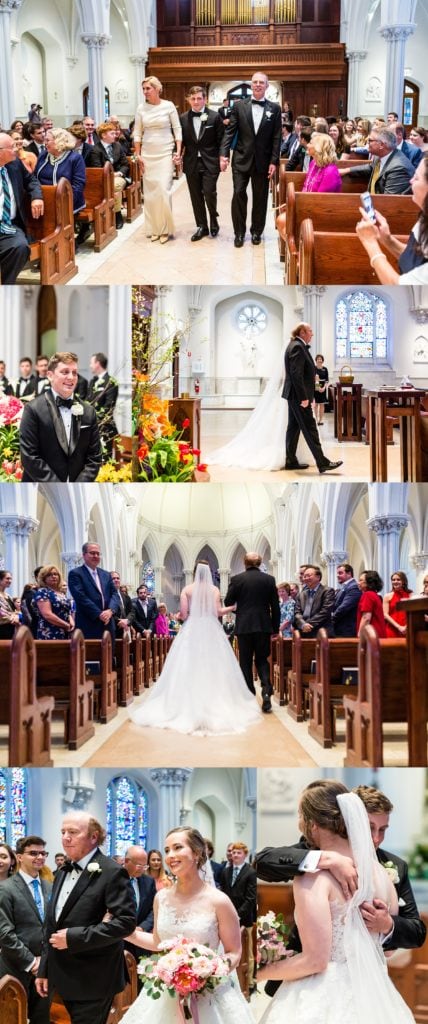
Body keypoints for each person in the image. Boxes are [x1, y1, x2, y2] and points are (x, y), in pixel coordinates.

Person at [256, 780, 416, 1024]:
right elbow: (389, 949)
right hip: (374, 995)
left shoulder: (313, 878)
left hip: (322, 994)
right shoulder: (380, 873)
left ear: (311, 824)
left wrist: (258, 972)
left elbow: (316, 961)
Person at [119, 826, 256, 1024]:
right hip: (167, 990)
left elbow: (234, 952)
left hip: (208, 993)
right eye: (167, 850)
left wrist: (207, 972)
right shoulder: (161, 898)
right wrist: (128, 933)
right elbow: (159, 942)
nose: (170, 856)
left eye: (177, 848)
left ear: (197, 852)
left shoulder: (219, 901)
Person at [129, 561, 261, 735]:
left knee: (188, 664)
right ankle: (215, 702)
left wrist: (180, 615)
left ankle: (185, 703)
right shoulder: (214, 590)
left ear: (195, 572)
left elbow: (183, 615)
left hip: (192, 628)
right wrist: (234, 607)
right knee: (214, 665)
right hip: (211, 629)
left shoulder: (187, 589)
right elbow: (218, 612)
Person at [35, 812, 136, 1024]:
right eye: (63, 832)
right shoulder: (62, 871)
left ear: (93, 837)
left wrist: (75, 937)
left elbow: (125, 922)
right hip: (61, 976)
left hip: (94, 978)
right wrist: (44, 968)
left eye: (73, 832)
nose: (65, 837)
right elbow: (51, 924)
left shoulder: (112, 871)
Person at [354, 785, 426, 950]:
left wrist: (387, 924)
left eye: (382, 830)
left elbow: (417, 932)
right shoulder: (322, 854)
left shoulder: (397, 866)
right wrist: (326, 859)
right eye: (370, 827)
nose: (376, 838)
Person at [219, 71, 282, 247]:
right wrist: (224, 154)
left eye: (262, 82)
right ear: (251, 84)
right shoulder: (239, 106)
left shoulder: (274, 109)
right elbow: (229, 132)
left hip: (263, 161)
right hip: (241, 159)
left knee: (260, 198)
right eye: (255, 82)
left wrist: (274, 161)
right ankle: (239, 233)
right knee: (238, 194)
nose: (258, 85)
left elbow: (277, 137)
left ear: (267, 86)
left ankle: (256, 231)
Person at [19, 352, 102, 482]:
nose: (71, 377)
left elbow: (94, 458)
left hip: (78, 490)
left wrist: (78, 486)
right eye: (65, 372)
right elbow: (29, 456)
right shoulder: (32, 409)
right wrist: (58, 487)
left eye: (74, 373)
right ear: (50, 375)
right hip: (41, 489)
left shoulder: (88, 412)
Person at [0, 835, 51, 1024]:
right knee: (14, 1018)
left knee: (41, 1018)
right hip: (15, 967)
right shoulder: (5, 888)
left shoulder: (49, 886)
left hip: (45, 967)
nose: (39, 857)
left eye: (43, 853)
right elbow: (5, 933)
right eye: (33, 853)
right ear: (19, 857)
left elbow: (51, 925)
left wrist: (44, 960)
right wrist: (31, 962)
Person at [355, 152, 428, 285]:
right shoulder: (425, 216)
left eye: (416, 178)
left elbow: (396, 285)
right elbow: (413, 261)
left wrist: (370, 243)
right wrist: (387, 239)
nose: (410, 181)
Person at [283, 323, 343, 474]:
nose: (312, 334)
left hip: (294, 395)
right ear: (302, 332)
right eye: (310, 331)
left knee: (293, 428)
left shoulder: (295, 345)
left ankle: (291, 460)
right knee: (310, 428)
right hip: (298, 397)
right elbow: (296, 374)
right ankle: (322, 463)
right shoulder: (297, 347)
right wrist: (304, 398)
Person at [224, 551, 280, 713]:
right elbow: (275, 607)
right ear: (260, 563)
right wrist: (275, 629)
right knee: (262, 659)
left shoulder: (237, 579)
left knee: (245, 661)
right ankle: (266, 690)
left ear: (245, 563)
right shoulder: (269, 579)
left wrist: (242, 612)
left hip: (244, 626)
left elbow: (229, 601)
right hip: (263, 626)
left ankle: (249, 695)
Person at [133, 75, 182, 243]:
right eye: (144, 89)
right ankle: (154, 228)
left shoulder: (168, 106)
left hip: (165, 152)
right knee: (151, 193)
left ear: (157, 89)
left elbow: (177, 129)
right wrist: (138, 154)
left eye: (148, 88)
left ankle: (165, 229)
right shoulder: (141, 108)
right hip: (147, 153)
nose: (145, 91)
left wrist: (178, 151)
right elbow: (137, 132)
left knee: (163, 190)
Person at [180, 85, 224, 241]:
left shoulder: (214, 117)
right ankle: (202, 226)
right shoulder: (183, 118)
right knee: (195, 196)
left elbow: (222, 140)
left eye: (199, 98)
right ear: (189, 100)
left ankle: (213, 217)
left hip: (210, 161)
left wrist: (223, 158)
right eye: (193, 99)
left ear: (205, 99)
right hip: (191, 162)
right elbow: (181, 141)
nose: (196, 101)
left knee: (209, 192)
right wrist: (176, 154)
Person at [0, 132, 43, 283]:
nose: (17, 149)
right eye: (12, 147)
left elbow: (32, 181)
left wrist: (36, 197)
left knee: (20, 247)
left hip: (9, 225)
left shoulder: (15, 164)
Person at [220, 841, 257, 993]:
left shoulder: (250, 872)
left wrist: (237, 916)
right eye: (233, 852)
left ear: (245, 855)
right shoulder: (226, 872)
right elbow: (223, 894)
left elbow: (250, 898)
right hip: (227, 918)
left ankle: (249, 983)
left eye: (239, 853)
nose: (235, 855)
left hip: (244, 919)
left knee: (247, 952)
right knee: (230, 949)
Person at [341, 126, 414, 194]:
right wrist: (347, 170)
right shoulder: (380, 156)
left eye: (370, 140)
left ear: (381, 145)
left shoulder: (398, 168)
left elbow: (389, 202)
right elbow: (371, 167)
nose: (367, 142)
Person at [84, 121, 130, 230]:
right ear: (104, 135)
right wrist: (110, 175)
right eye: (112, 133)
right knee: (112, 188)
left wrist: (120, 173)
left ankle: (116, 213)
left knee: (115, 186)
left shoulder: (117, 146)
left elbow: (125, 164)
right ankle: (116, 213)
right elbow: (97, 168)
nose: (115, 135)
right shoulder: (96, 149)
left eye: (115, 133)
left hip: (119, 176)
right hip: (104, 178)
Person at [68, 542, 118, 639]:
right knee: (89, 653)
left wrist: (110, 611)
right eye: (92, 553)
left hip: (108, 624)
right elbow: (80, 597)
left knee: (109, 653)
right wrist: (99, 614)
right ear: (84, 555)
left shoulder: (106, 574)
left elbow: (115, 594)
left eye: (98, 553)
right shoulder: (76, 574)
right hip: (88, 622)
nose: (96, 556)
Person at [35, 127, 86, 215]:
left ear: (59, 141)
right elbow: (35, 177)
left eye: (48, 140)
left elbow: (78, 185)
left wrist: (64, 203)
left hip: (68, 202)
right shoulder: (43, 155)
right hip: (44, 200)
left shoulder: (75, 158)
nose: (45, 143)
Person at [123, 846, 156, 965]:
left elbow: (154, 909)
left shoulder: (149, 882)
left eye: (145, 866)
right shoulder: (114, 879)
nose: (142, 870)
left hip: (141, 940)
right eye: (139, 866)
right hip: (119, 941)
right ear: (126, 861)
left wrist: (142, 927)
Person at [87, 352, 119, 457]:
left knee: (105, 458)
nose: (90, 365)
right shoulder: (92, 381)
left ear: (97, 363)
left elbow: (109, 406)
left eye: (91, 363)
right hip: (91, 428)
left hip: (105, 427)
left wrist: (94, 419)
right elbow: (88, 402)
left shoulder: (111, 382)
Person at [33, 564, 74, 639]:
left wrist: (71, 622)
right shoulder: (43, 592)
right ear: (44, 578)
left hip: (65, 630)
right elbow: (47, 614)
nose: (53, 576)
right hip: (50, 631)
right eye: (49, 575)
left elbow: (66, 611)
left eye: (55, 574)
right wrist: (66, 624)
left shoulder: (61, 593)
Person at [294, 565, 334, 636]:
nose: (306, 578)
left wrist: (308, 624)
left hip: (321, 631)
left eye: (309, 576)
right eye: (304, 576)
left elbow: (325, 611)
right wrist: (303, 624)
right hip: (304, 632)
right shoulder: (301, 594)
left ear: (318, 577)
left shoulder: (327, 591)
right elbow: (297, 613)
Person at [331, 563, 360, 637]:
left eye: (340, 573)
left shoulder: (354, 587)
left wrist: (331, 619)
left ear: (349, 573)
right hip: (340, 627)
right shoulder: (345, 587)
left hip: (346, 628)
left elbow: (344, 607)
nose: (337, 575)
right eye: (337, 573)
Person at [357, 570, 387, 638]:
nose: (358, 583)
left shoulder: (368, 595)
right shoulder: (374, 594)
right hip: (377, 633)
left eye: (361, 580)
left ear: (368, 582)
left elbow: (366, 618)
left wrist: (360, 634)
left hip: (371, 635)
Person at [383, 571, 413, 638]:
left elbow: (413, 613)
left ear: (403, 581)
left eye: (398, 579)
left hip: (407, 629)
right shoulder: (387, 596)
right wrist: (399, 627)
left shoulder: (411, 595)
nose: (395, 581)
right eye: (393, 580)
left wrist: (406, 626)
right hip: (392, 629)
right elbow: (385, 615)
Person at [0, 569, 20, 638]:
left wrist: (16, 616)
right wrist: (13, 619)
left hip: (10, 627)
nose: (10, 581)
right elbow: (1, 612)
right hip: (2, 628)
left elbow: (14, 611)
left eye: (11, 579)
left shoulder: (8, 595)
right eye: (7, 578)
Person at [313, 353, 329, 425]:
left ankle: (321, 420)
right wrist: (318, 387)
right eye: (318, 359)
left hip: (323, 387)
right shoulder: (314, 368)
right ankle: (316, 419)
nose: (319, 360)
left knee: (322, 404)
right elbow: (313, 379)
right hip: (316, 386)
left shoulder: (325, 369)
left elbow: (326, 380)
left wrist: (324, 387)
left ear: (322, 360)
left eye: (321, 359)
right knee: (316, 404)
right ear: (316, 360)